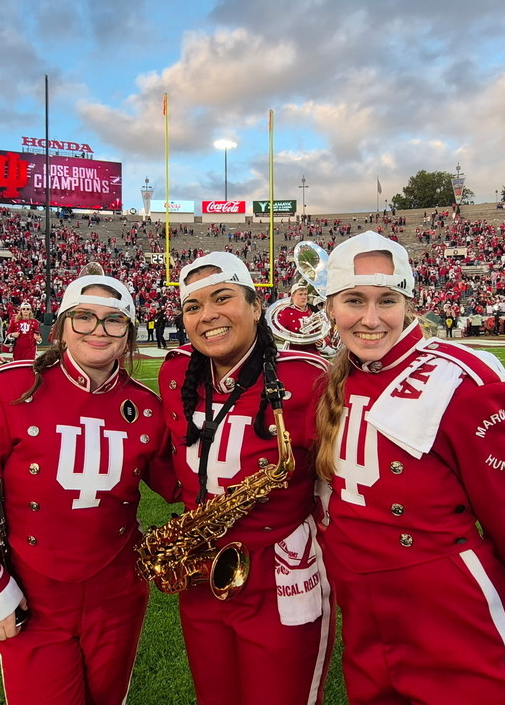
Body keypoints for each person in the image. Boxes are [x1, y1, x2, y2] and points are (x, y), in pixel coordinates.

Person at [313, 231, 505, 705]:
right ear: (330, 307)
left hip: (445, 594)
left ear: (409, 304)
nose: (370, 319)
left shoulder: (460, 376)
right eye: (354, 300)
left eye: (386, 300)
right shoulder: (334, 378)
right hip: (361, 593)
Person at [0, 275, 172, 705]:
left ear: (129, 334)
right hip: (31, 589)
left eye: (114, 320)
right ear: (61, 326)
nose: (98, 330)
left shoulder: (146, 405)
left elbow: (178, 484)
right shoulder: (9, 387)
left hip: (118, 591)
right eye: (84, 317)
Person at [157, 252, 333, 705]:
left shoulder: (307, 377)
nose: (208, 315)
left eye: (223, 298)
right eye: (193, 307)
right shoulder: (176, 371)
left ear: (256, 306)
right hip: (200, 569)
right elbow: (164, 450)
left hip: (282, 571)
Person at [273, 282, 321, 353]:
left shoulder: (313, 311)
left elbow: (322, 332)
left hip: (313, 352)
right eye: (300, 294)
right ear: (292, 296)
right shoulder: (286, 312)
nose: (304, 297)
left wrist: (321, 342)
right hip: (295, 352)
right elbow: (280, 336)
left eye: (305, 294)